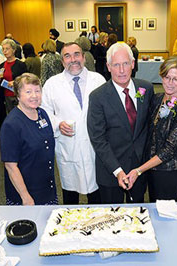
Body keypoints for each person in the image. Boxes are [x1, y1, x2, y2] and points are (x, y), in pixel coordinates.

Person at [87, 42, 154, 204]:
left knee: (137, 216)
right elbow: (98, 138)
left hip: (138, 169)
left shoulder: (146, 88)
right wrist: (117, 171)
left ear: (133, 64)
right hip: (110, 170)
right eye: (116, 65)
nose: (122, 70)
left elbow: (149, 127)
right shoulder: (98, 97)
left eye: (125, 64)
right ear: (108, 67)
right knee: (111, 217)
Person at [42, 42, 106, 205]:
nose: (73, 59)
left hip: (95, 145)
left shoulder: (98, 80)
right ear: (62, 61)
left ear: (84, 57)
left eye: (77, 54)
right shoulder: (52, 84)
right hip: (68, 144)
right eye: (67, 56)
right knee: (70, 194)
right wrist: (58, 124)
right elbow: (44, 112)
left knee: (97, 193)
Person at [125, 56, 177, 202]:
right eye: (167, 77)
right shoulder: (157, 98)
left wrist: (139, 170)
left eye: (175, 79)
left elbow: (169, 150)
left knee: (164, 214)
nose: (170, 83)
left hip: (168, 172)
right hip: (149, 168)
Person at [0, 73, 58, 205]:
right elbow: (10, 166)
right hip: (26, 195)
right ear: (18, 95)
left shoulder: (42, 114)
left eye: (37, 91)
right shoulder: (11, 124)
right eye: (28, 91)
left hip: (47, 189)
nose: (34, 95)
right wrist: (25, 196)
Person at [0, 39, 27, 113]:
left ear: (14, 50)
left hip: (19, 95)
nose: (4, 51)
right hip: (7, 96)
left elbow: (27, 79)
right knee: (12, 116)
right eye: (3, 49)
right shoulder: (1, 66)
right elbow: (0, 83)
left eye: (7, 49)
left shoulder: (20, 64)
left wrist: (15, 82)